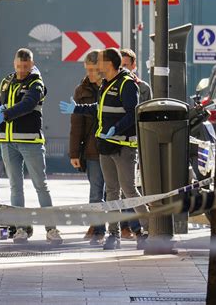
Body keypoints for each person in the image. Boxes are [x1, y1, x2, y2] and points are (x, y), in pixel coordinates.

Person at [60, 48, 150, 250]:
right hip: (105, 147)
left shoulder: (127, 85)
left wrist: (115, 129)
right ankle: (113, 234)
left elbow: (132, 113)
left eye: (100, 61)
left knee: (129, 190)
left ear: (109, 64)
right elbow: (98, 108)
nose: (97, 64)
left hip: (124, 147)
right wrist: (76, 108)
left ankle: (147, 230)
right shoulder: (105, 85)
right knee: (111, 192)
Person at [0, 48, 62, 245]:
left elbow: (28, 105)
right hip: (7, 142)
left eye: (25, 67)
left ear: (31, 64)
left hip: (30, 142)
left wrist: (3, 115)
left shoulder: (36, 83)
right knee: (15, 187)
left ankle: (51, 229)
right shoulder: (5, 82)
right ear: (14, 63)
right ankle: (20, 229)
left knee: (40, 185)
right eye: (19, 66)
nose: (21, 70)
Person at [68, 50, 106, 245]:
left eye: (93, 69)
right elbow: (77, 125)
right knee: (96, 192)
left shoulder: (111, 86)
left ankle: (111, 228)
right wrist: (74, 153)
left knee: (113, 192)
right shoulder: (81, 90)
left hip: (112, 146)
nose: (90, 73)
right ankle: (99, 230)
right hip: (92, 150)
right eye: (87, 70)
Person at [119, 48, 153, 240]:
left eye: (126, 64)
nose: (123, 68)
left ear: (134, 66)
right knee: (121, 187)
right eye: (120, 64)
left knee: (131, 186)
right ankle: (127, 227)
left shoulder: (144, 88)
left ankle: (136, 226)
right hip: (118, 141)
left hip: (137, 142)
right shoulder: (112, 85)